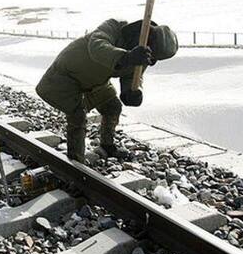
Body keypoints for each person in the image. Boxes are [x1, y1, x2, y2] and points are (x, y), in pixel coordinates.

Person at [35, 19, 178, 163]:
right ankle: (76, 162)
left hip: (95, 83)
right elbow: (97, 47)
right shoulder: (114, 26)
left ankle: (107, 145)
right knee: (78, 116)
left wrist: (132, 92)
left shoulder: (142, 55)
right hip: (64, 78)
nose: (151, 59)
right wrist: (127, 57)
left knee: (113, 107)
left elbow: (132, 75)